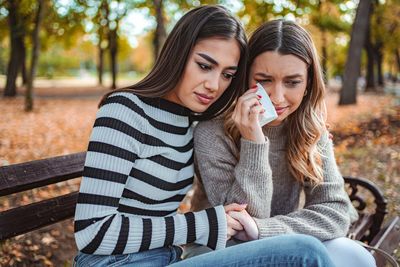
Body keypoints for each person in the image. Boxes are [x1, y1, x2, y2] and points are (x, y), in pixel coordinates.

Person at [73, 6, 336, 267]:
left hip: (167, 258)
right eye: (204, 65)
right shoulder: (125, 110)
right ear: (177, 54)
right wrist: (203, 223)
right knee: (304, 253)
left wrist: (256, 139)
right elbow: (92, 232)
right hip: (115, 263)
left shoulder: (189, 119)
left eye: (227, 75)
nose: (214, 85)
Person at [189, 19, 377, 267]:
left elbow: (336, 212)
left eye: (292, 82)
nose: (277, 97)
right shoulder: (212, 132)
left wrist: (264, 229)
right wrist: (253, 141)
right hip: (219, 250)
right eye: (264, 80)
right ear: (245, 78)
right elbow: (240, 225)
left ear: (308, 83)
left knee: (357, 258)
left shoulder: (309, 129)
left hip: (286, 242)